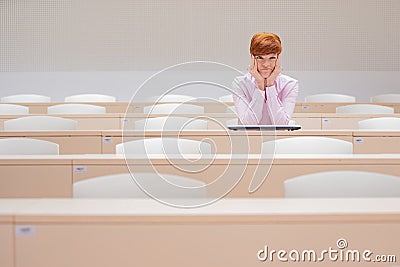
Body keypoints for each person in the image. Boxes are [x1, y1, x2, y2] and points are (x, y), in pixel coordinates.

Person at [232, 32, 298, 125]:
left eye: (272, 58)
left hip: (279, 139)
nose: (266, 64)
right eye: (260, 58)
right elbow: (248, 124)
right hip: (249, 138)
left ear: (278, 58)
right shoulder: (240, 83)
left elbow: (281, 124)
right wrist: (260, 85)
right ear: (252, 58)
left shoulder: (290, 84)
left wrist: (270, 85)